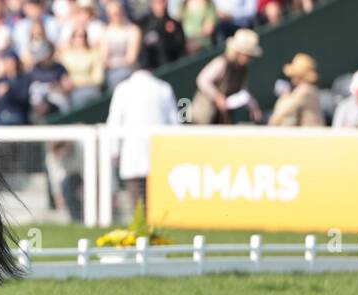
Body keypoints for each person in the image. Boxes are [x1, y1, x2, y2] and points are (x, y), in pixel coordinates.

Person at [106, 48, 179, 218]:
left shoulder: (123, 89)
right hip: (157, 157)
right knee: (156, 211)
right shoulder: (163, 88)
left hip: (134, 157)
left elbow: (114, 123)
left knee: (138, 211)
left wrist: (114, 151)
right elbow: (175, 125)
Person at [190, 28, 263, 124]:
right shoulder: (221, 63)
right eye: (246, 55)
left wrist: (254, 107)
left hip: (221, 116)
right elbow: (202, 80)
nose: (248, 58)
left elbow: (243, 91)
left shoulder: (242, 69)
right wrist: (217, 96)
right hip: (204, 115)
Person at [269, 53, 324, 126]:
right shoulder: (307, 90)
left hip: (311, 135)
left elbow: (283, 111)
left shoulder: (306, 91)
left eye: (294, 75)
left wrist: (284, 95)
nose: (292, 78)